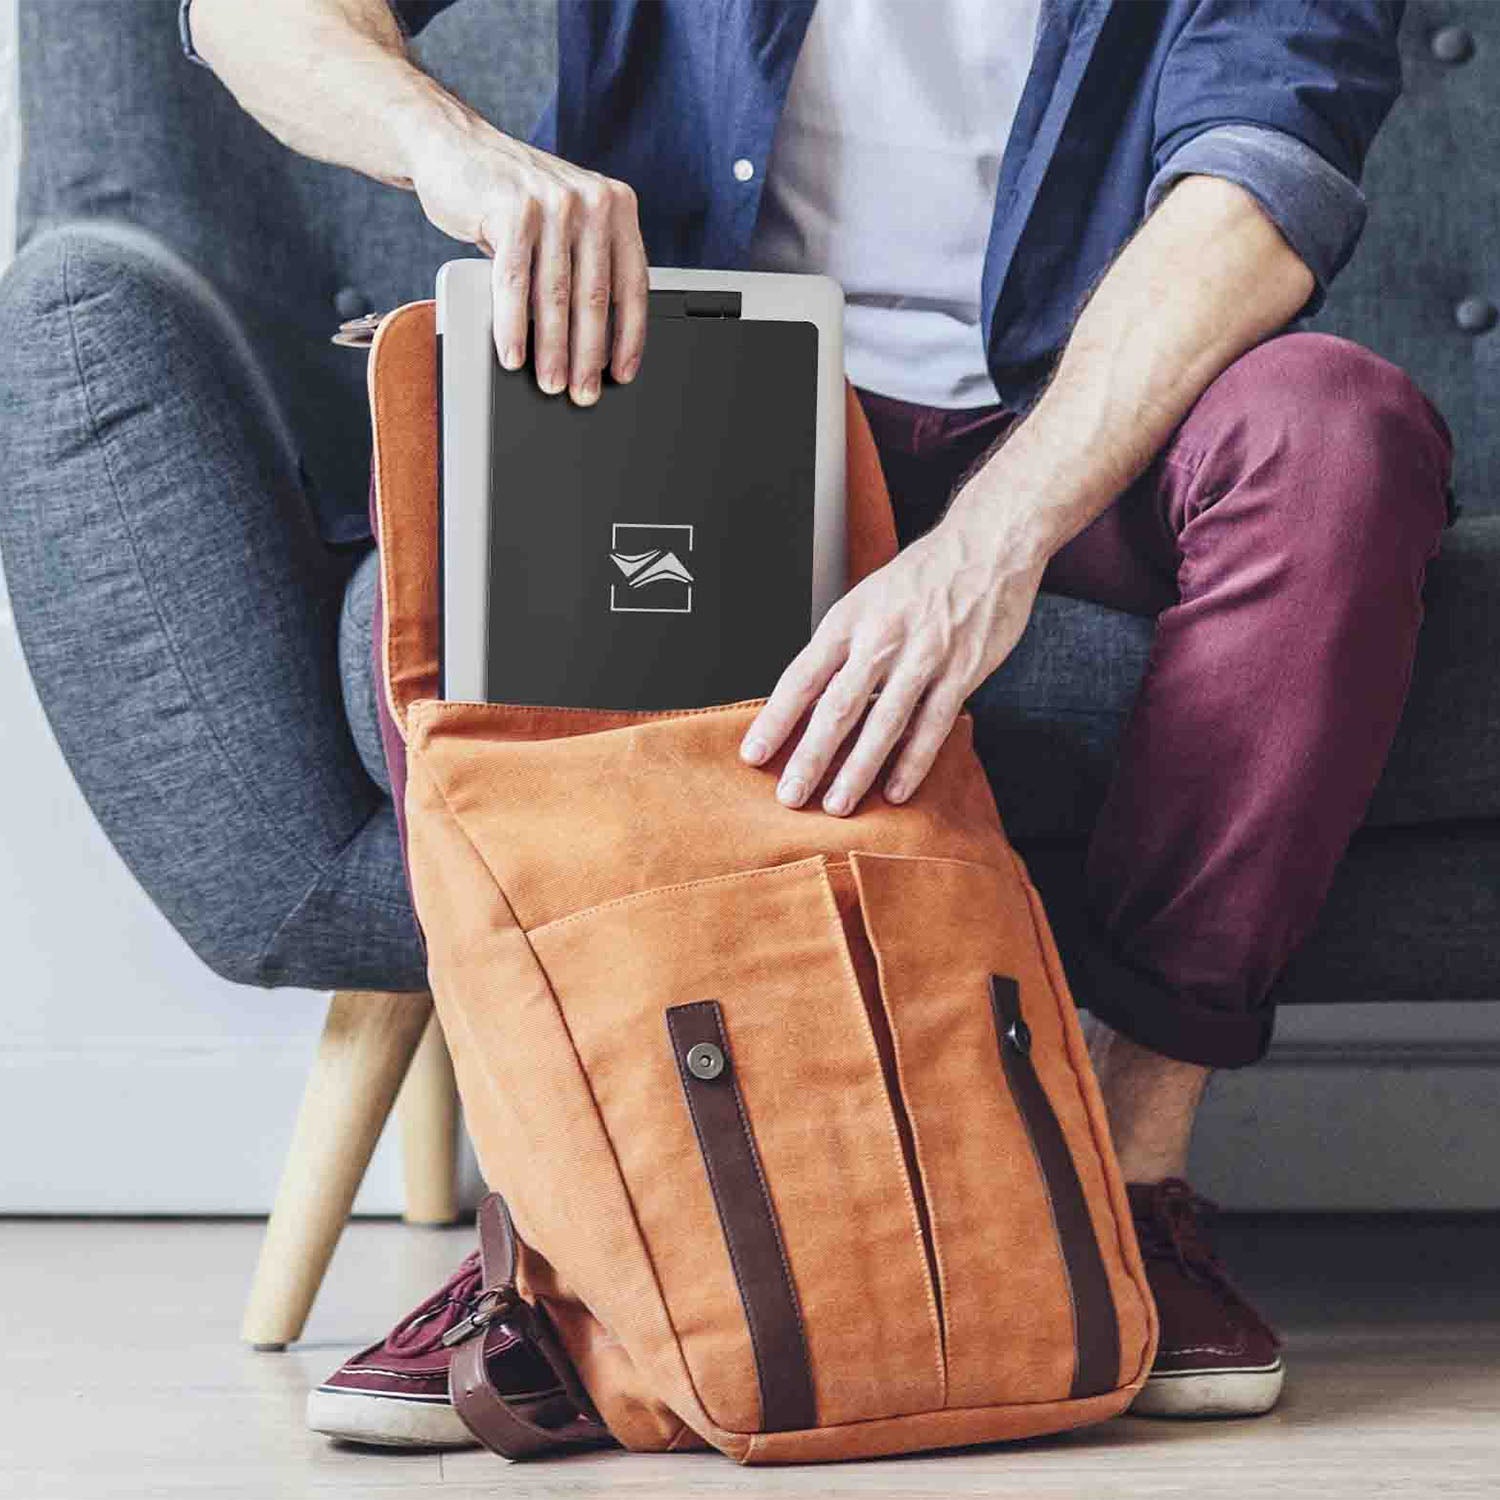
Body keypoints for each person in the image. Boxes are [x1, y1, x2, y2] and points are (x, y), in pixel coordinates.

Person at [2, 0, 1451, 1450]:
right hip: (721, 392)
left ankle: (1124, 1197)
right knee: (516, 515)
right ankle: (569, 1240)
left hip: (1091, 419)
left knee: (1339, 435)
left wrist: (983, 555)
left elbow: (1257, 198)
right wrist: (456, 155)